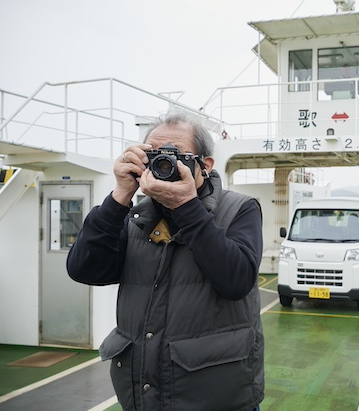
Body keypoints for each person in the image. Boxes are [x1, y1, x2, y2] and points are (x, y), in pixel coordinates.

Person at [67, 111, 264, 411]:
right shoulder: (134, 216)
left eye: (175, 156)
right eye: (154, 156)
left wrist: (186, 207)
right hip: (143, 398)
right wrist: (120, 195)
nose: (164, 165)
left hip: (216, 398)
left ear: (205, 166)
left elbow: (236, 281)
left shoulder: (239, 209)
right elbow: (84, 268)